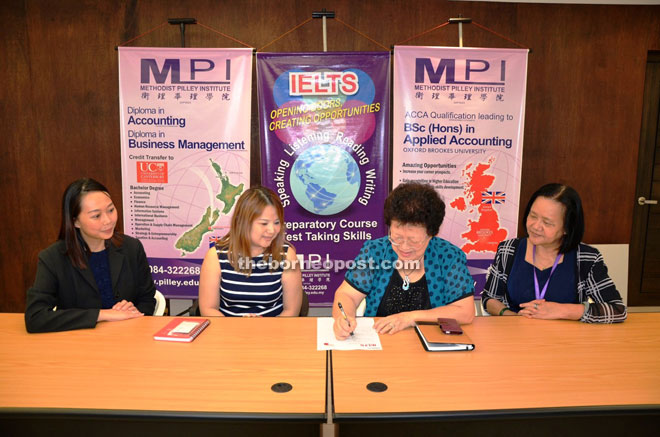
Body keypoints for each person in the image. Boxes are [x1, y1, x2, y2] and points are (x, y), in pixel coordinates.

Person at [333, 182, 475, 339]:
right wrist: (343, 318)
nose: (404, 247)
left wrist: (409, 318)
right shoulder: (376, 251)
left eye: (414, 240)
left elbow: (465, 311)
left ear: (432, 234)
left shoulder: (448, 256)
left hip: (433, 345)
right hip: (381, 342)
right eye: (397, 238)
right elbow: (347, 295)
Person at [25, 178, 156, 333]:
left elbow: (147, 300)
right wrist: (102, 315)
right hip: (78, 345)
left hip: (127, 339)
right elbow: (35, 318)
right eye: (96, 216)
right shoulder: (52, 258)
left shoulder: (131, 248)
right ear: (75, 222)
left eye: (111, 210)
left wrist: (133, 310)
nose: (108, 220)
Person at [482, 183, 626, 323]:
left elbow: (617, 310)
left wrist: (561, 310)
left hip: (566, 341)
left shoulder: (586, 258)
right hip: (517, 337)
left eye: (547, 222)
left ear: (567, 228)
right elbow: (490, 298)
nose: (536, 226)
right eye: (533, 216)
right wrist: (512, 317)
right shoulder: (509, 250)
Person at [198, 186, 302, 317]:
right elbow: (208, 309)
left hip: (273, 332)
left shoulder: (287, 256)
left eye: (276, 222)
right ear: (243, 223)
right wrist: (238, 328)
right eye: (264, 223)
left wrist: (265, 328)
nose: (272, 230)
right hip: (227, 332)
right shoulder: (216, 256)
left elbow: (291, 311)